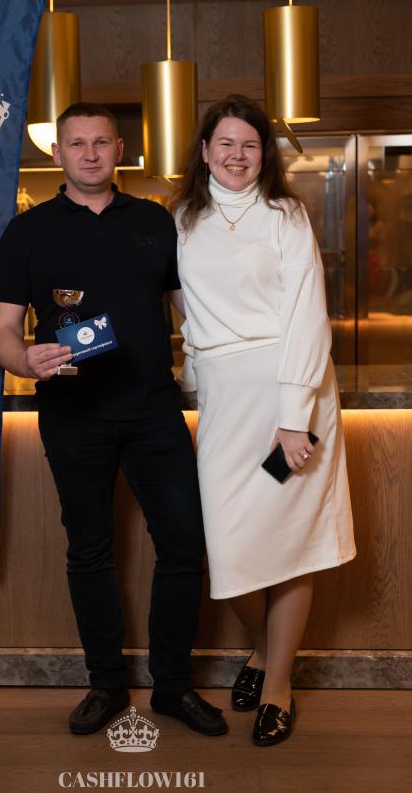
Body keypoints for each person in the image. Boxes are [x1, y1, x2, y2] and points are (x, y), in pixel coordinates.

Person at [0, 102, 227, 737]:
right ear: (57, 153)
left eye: (100, 142)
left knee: (184, 545)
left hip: (154, 411)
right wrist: (24, 360)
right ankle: (106, 685)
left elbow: (197, 311)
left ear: (119, 150)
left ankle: (173, 688)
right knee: (89, 549)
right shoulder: (26, 232)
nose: (89, 153)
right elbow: (2, 331)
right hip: (73, 416)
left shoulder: (156, 221)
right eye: (76, 143)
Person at [170, 95, 356, 747]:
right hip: (226, 406)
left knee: (290, 543)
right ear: (204, 151)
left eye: (249, 144)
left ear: (264, 155)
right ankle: (262, 646)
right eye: (225, 143)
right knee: (228, 545)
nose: (237, 155)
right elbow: (186, 306)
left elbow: (307, 313)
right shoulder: (182, 218)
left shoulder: (286, 215)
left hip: (289, 400)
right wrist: (194, 373)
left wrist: (294, 418)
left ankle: (278, 684)